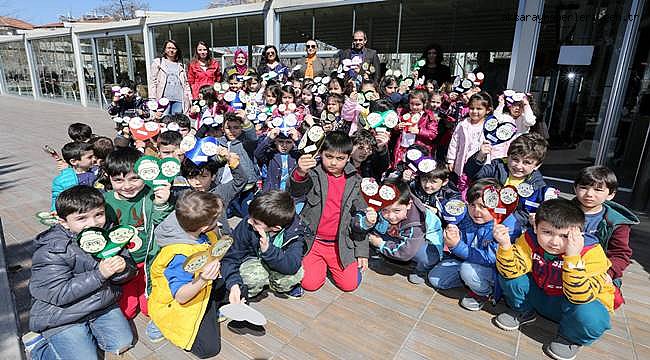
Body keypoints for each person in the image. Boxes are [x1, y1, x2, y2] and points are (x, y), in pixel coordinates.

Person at [494, 199, 613, 360]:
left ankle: (571, 338)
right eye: (547, 232)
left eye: (565, 236)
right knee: (511, 276)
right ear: (535, 227)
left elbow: (580, 296)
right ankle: (523, 310)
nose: (555, 242)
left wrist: (572, 257)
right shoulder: (529, 239)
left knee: (592, 316)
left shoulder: (591, 253)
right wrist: (506, 246)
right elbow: (511, 271)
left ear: (579, 233)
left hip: (572, 307)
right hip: (541, 295)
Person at [27, 186, 136, 360]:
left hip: (100, 304)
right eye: (82, 218)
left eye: (98, 214)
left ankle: (83, 336)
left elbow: (128, 270)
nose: (93, 223)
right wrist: (100, 274)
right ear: (63, 222)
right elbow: (58, 293)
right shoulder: (53, 250)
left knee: (122, 342)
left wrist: (123, 268)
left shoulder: (109, 233)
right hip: (61, 314)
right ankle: (39, 349)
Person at [102, 147, 173, 339]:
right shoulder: (104, 202)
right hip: (123, 265)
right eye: (118, 180)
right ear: (108, 178)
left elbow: (163, 224)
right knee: (127, 311)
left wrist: (162, 203)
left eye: (134, 178)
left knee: (150, 309)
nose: (127, 186)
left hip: (150, 261)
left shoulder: (152, 195)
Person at [288, 131, 369, 292]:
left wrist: (361, 251)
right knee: (309, 284)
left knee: (349, 285)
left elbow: (359, 216)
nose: (333, 162)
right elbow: (295, 191)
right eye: (329, 156)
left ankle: (342, 267)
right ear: (321, 153)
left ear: (348, 156)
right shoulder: (313, 173)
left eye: (340, 158)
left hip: (340, 244)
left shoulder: (355, 180)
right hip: (313, 241)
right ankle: (317, 264)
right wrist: (300, 172)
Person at [149, 191, 225, 358]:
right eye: (216, 220)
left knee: (235, 288)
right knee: (208, 349)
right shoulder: (179, 255)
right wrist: (204, 279)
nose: (218, 222)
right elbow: (181, 297)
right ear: (204, 227)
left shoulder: (192, 227)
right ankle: (160, 323)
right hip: (181, 299)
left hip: (202, 284)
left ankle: (212, 308)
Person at [428, 179, 521, 311]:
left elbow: (490, 259)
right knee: (436, 279)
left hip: (491, 270)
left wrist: (456, 246)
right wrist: (451, 230)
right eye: (472, 205)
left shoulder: (507, 226)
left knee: (468, 270)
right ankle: (470, 281)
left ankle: (483, 293)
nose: (476, 211)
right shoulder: (465, 214)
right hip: (464, 259)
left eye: (483, 206)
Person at [221, 190, 308, 308]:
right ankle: (243, 294)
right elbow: (231, 257)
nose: (249, 221)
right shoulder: (249, 223)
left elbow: (292, 266)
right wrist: (233, 284)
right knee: (251, 278)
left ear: (276, 228)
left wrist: (268, 250)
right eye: (251, 217)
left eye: (256, 222)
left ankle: (278, 285)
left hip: (278, 260)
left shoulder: (295, 233)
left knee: (296, 275)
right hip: (254, 260)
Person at [573, 166, 639, 309]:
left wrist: (609, 274)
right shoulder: (562, 210)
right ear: (575, 188)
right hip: (565, 262)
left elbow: (621, 254)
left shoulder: (616, 222)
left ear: (610, 194)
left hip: (597, 269)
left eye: (598, 189)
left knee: (604, 303)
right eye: (583, 187)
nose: (589, 194)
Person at [463, 132, 548, 229]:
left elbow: (526, 213)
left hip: (509, 227)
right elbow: (472, 174)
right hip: (483, 216)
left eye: (526, 162)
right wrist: (480, 156)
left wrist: (505, 220)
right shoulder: (497, 167)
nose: (519, 166)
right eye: (515, 159)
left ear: (537, 165)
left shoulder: (537, 185)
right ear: (508, 156)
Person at [367, 179, 443, 284]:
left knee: (427, 257)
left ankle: (421, 270)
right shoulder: (385, 202)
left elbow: (406, 253)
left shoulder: (416, 222)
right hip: (398, 233)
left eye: (396, 211)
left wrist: (380, 244)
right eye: (385, 209)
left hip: (423, 241)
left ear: (409, 205)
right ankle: (384, 250)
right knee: (372, 225)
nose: (391, 216)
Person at [446, 92, 512, 196]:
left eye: (479, 109)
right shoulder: (463, 124)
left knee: (478, 189)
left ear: (488, 110)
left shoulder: (490, 126)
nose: (474, 111)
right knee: (462, 187)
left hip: (481, 167)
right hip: (463, 163)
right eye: (472, 108)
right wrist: (451, 160)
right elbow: (455, 142)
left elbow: (498, 146)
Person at [179, 152, 246, 235]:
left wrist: (233, 163)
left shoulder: (220, 192)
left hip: (221, 239)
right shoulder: (184, 194)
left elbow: (240, 180)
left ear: (213, 176)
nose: (197, 182)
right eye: (191, 177)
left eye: (203, 177)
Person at [392, 89, 438, 167]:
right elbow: (396, 132)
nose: (414, 107)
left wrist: (419, 131)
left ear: (424, 103)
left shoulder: (428, 116)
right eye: (411, 104)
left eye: (418, 104)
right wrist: (397, 128)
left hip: (419, 149)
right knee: (400, 168)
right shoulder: (403, 113)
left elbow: (433, 134)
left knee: (415, 169)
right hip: (402, 147)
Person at [149, 39, 191, 115]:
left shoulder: (182, 65)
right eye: (169, 48)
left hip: (179, 99)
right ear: (165, 49)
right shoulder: (158, 62)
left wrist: (189, 98)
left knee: (176, 123)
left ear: (177, 50)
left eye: (173, 48)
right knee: (164, 121)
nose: (171, 50)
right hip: (163, 100)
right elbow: (153, 82)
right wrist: (152, 98)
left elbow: (186, 84)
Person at [51, 142, 97, 211]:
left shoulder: (97, 171)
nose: (94, 159)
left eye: (94, 156)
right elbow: (57, 199)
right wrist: (55, 211)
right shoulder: (62, 181)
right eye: (89, 157)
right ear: (74, 162)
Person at [254, 127, 301, 192]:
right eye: (280, 141)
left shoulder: (296, 155)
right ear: (275, 142)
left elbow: (307, 154)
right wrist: (269, 138)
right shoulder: (271, 155)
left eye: (288, 142)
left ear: (293, 143)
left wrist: (297, 140)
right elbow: (257, 153)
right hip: (272, 193)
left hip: (290, 193)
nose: (284, 145)